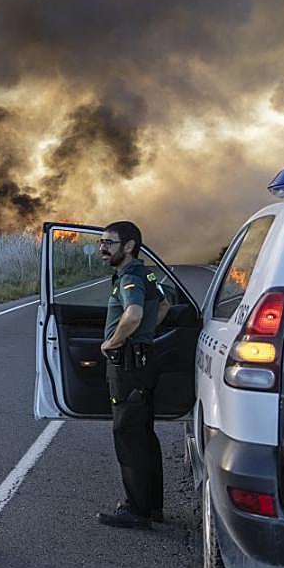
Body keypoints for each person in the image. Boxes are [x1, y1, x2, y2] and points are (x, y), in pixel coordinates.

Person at [96, 220, 171, 529]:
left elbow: (134, 313)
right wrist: (146, 335)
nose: (102, 248)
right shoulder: (146, 272)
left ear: (128, 246)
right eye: (101, 242)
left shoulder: (129, 276)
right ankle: (152, 506)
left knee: (127, 436)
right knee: (144, 435)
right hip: (144, 361)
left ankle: (137, 511)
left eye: (109, 243)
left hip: (127, 364)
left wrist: (111, 343)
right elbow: (164, 304)